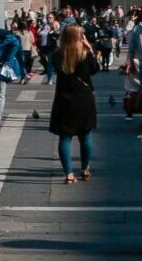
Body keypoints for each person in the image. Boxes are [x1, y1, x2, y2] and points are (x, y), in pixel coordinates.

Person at [49, 23, 100, 182]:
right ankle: (85, 169)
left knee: (65, 138)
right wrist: (89, 48)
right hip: (84, 98)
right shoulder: (85, 53)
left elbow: (57, 70)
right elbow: (94, 69)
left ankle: (69, 174)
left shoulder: (57, 54)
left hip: (64, 99)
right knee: (85, 136)